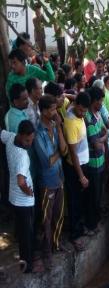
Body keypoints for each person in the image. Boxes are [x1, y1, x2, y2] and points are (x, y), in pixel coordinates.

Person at [33, 95, 67, 267]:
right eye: (53, 109)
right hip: (47, 182)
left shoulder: (54, 126)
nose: (55, 112)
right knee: (46, 218)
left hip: (59, 177)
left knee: (59, 214)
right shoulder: (38, 132)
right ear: (44, 111)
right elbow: (47, 161)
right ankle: (47, 252)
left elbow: (64, 149)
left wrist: (59, 127)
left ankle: (56, 243)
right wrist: (59, 154)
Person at [1, 121, 37, 272]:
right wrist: (28, 191)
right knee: (26, 236)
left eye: (32, 140)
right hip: (24, 201)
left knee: (22, 232)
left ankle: (25, 262)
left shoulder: (10, 137)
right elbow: (21, 181)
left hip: (13, 197)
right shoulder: (23, 155)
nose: (29, 143)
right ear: (21, 135)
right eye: (27, 140)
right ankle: (28, 267)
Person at [63, 92, 90, 251]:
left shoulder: (74, 108)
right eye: (81, 110)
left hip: (82, 164)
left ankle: (79, 228)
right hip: (75, 168)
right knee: (74, 201)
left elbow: (72, 97)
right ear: (76, 106)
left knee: (79, 200)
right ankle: (74, 234)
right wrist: (81, 176)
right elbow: (72, 153)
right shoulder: (71, 122)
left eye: (85, 111)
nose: (83, 114)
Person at [84, 87, 108, 235]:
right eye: (100, 101)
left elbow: (104, 131)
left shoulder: (97, 115)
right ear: (94, 101)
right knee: (92, 196)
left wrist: (102, 138)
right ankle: (91, 225)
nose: (101, 104)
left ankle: (95, 222)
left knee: (97, 195)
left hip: (100, 161)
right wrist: (103, 138)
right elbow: (96, 143)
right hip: (93, 164)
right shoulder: (89, 118)